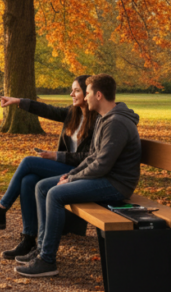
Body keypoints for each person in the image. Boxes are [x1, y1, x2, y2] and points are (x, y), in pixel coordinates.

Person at [15, 74, 142, 278]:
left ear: (98, 95)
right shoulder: (104, 119)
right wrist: (71, 173)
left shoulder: (115, 123)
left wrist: (72, 179)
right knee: (42, 187)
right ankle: (41, 250)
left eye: (88, 92)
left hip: (116, 184)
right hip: (105, 178)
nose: (86, 97)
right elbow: (93, 157)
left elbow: (102, 165)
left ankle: (47, 260)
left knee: (55, 194)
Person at [0, 75, 97, 260]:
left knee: (28, 162)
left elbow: (89, 158)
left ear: (88, 93)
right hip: (64, 166)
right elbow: (47, 110)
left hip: (79, 172)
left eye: (76, 90)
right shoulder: (73, 113)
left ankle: (0, 210)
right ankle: (28, 238)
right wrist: (18, 101)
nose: (71, 94)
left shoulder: (97, 121)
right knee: (28, 181)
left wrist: (56, 155)